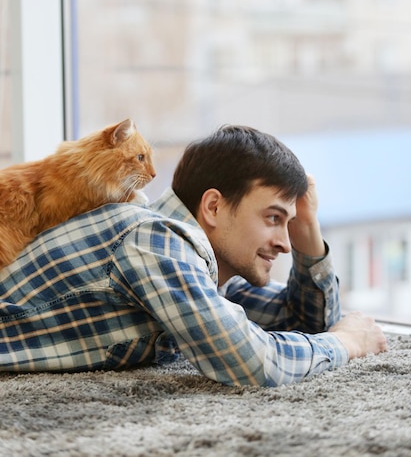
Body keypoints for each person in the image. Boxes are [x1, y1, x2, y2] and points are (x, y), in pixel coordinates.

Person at [0, 125, 386, 386]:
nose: (284, 243)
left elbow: (307, 323)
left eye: (289, 224)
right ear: (214, 207)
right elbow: (249, 360)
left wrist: (307, 231)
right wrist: (347, 344)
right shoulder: (152, 241)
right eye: (273, 218)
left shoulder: (198, 265)